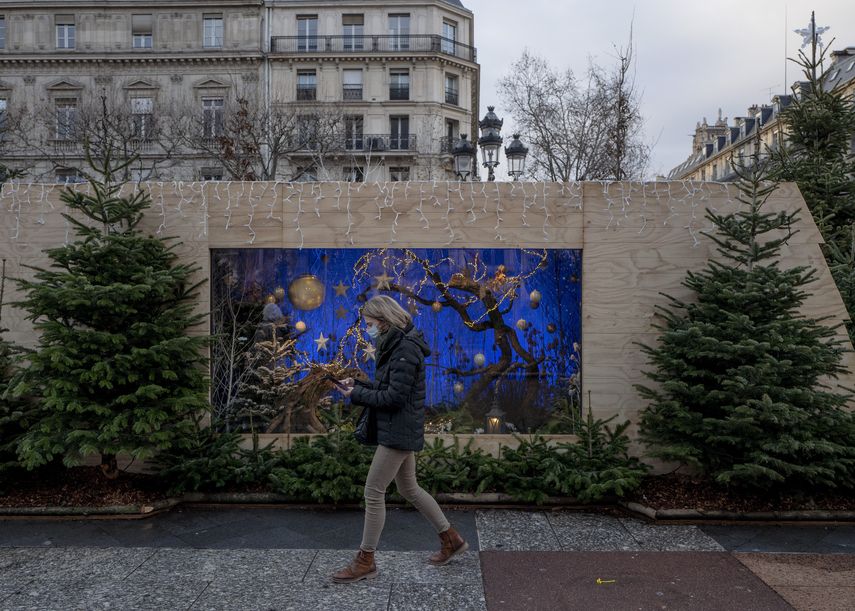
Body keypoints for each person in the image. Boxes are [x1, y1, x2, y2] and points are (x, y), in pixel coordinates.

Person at [332, 295, 468, 584]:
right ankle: (451, 539)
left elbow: (393, 398)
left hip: (398, 430)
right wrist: (357, 385)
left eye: (369, 324)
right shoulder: (398, 344)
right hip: (400, 427)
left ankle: (365, 560)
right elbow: (388, 387)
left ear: (383, 321)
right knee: (409, 489)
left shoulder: (404, 349)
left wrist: (355, 395)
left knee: (373, 491)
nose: (367, 329)